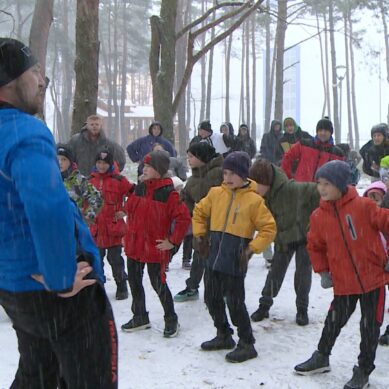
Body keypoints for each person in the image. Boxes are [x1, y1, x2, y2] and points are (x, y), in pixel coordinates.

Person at [0, 38, 118, 388]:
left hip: (15, 289)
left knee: (38, 372)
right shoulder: (24, 132)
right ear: (8, 82)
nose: (41, 80)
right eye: (34, 72)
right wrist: (59, 275)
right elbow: (47, 205)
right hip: (58, 289)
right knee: (90, 378)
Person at [294, 160, 389, 389]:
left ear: (341, 184)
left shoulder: (364, 206)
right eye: (319, 183)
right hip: (344, 282)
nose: (322, 188)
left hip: (373, 280)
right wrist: (323, 271)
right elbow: (314, 246)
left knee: (369, 329)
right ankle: (322, 356)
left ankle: (363, 370)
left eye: (327, 183)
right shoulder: (318, 216)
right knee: (333, 321)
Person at [192, 152, 277, 363]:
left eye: (233, 174)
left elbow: (269, 229)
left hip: (235, 259)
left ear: (244, 175)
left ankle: (247, 343)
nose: (228, 177)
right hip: (212, 256)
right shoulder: (215, 194)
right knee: (211, 298)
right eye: (225, 172)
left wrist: (250, 250)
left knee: (235, 303)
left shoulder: (254, 201)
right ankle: (223, 334)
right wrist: (201, 236)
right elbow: (199, 213)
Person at [121, 151, 191, 337]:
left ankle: (171, 318)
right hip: (134, 245)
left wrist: (172, 241)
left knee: (158, 283)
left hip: (155, 247)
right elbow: (130, 208)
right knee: (134, 282)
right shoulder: (140, 188)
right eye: (144, 166)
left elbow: (183, 218)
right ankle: (140, 316)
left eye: (149, 167)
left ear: (159, 170)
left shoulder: (169, 194)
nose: (145, 169)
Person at [249, 158, 320, 326]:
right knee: (275, 273)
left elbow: (318, 191)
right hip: (283, 240)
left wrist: (316, 219)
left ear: (267, 182)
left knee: (303, 274)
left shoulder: (292, 188)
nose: (254, 189)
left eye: (257, 184)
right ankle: (264, 305)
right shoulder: (259, 197)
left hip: (304, 237)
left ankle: (302, 309)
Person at [174, 142, 224, 302]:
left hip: (220, 225)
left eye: (191, 156)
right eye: (188, 156)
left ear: (202, 157)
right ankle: (192, 287)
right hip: (201, 225)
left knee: (218, 258)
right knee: (199, 256)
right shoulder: (194, 177)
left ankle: (220, 290)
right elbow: (186, 198)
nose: (188, 159)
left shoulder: (219, 173)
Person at [89, 146, 134, 300]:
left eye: (105, 163)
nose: (102, 166)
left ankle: (122, 284)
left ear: (111, 164)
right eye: (99, 162)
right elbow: (83, 201)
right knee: (96, 261)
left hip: (114, 228)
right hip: (95, 230)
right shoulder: (90, 181)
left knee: (116, 261)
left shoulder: (119, 180)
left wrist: (125, 210)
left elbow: (134, 196)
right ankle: (98, 287)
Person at [281, 117, 344, 182]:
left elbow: (340, 176)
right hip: (301, 188)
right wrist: (288, 178)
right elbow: (287, 158)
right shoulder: (303, 144)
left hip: (323, 190)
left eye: (326, 131)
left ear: (330, 133)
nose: (323, 133)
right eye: (320, 130)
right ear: (317, 132)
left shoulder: (337, 154)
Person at [57, 143, 103, 223]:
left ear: (70, 161)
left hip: (74, 228)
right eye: (57, 159)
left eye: (64, 159)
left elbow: (97, 198)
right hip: (53, 228)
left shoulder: (78, 180)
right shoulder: (50, 180)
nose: (60, 162)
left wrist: (87, 217)